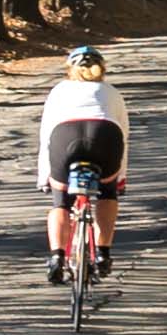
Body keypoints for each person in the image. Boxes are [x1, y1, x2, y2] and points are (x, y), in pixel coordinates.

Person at [36, 44, 131, 283]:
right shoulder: (112, 92)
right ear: (102, 69)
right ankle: (103, 254)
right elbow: (124, 136)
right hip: (105, 136)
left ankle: (57, 257)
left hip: (64, 137)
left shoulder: (58, 91)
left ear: (70, 69)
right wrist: (119, 178)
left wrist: (45, 177)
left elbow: (46, 136)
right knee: (107, 194)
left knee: (61, 203)